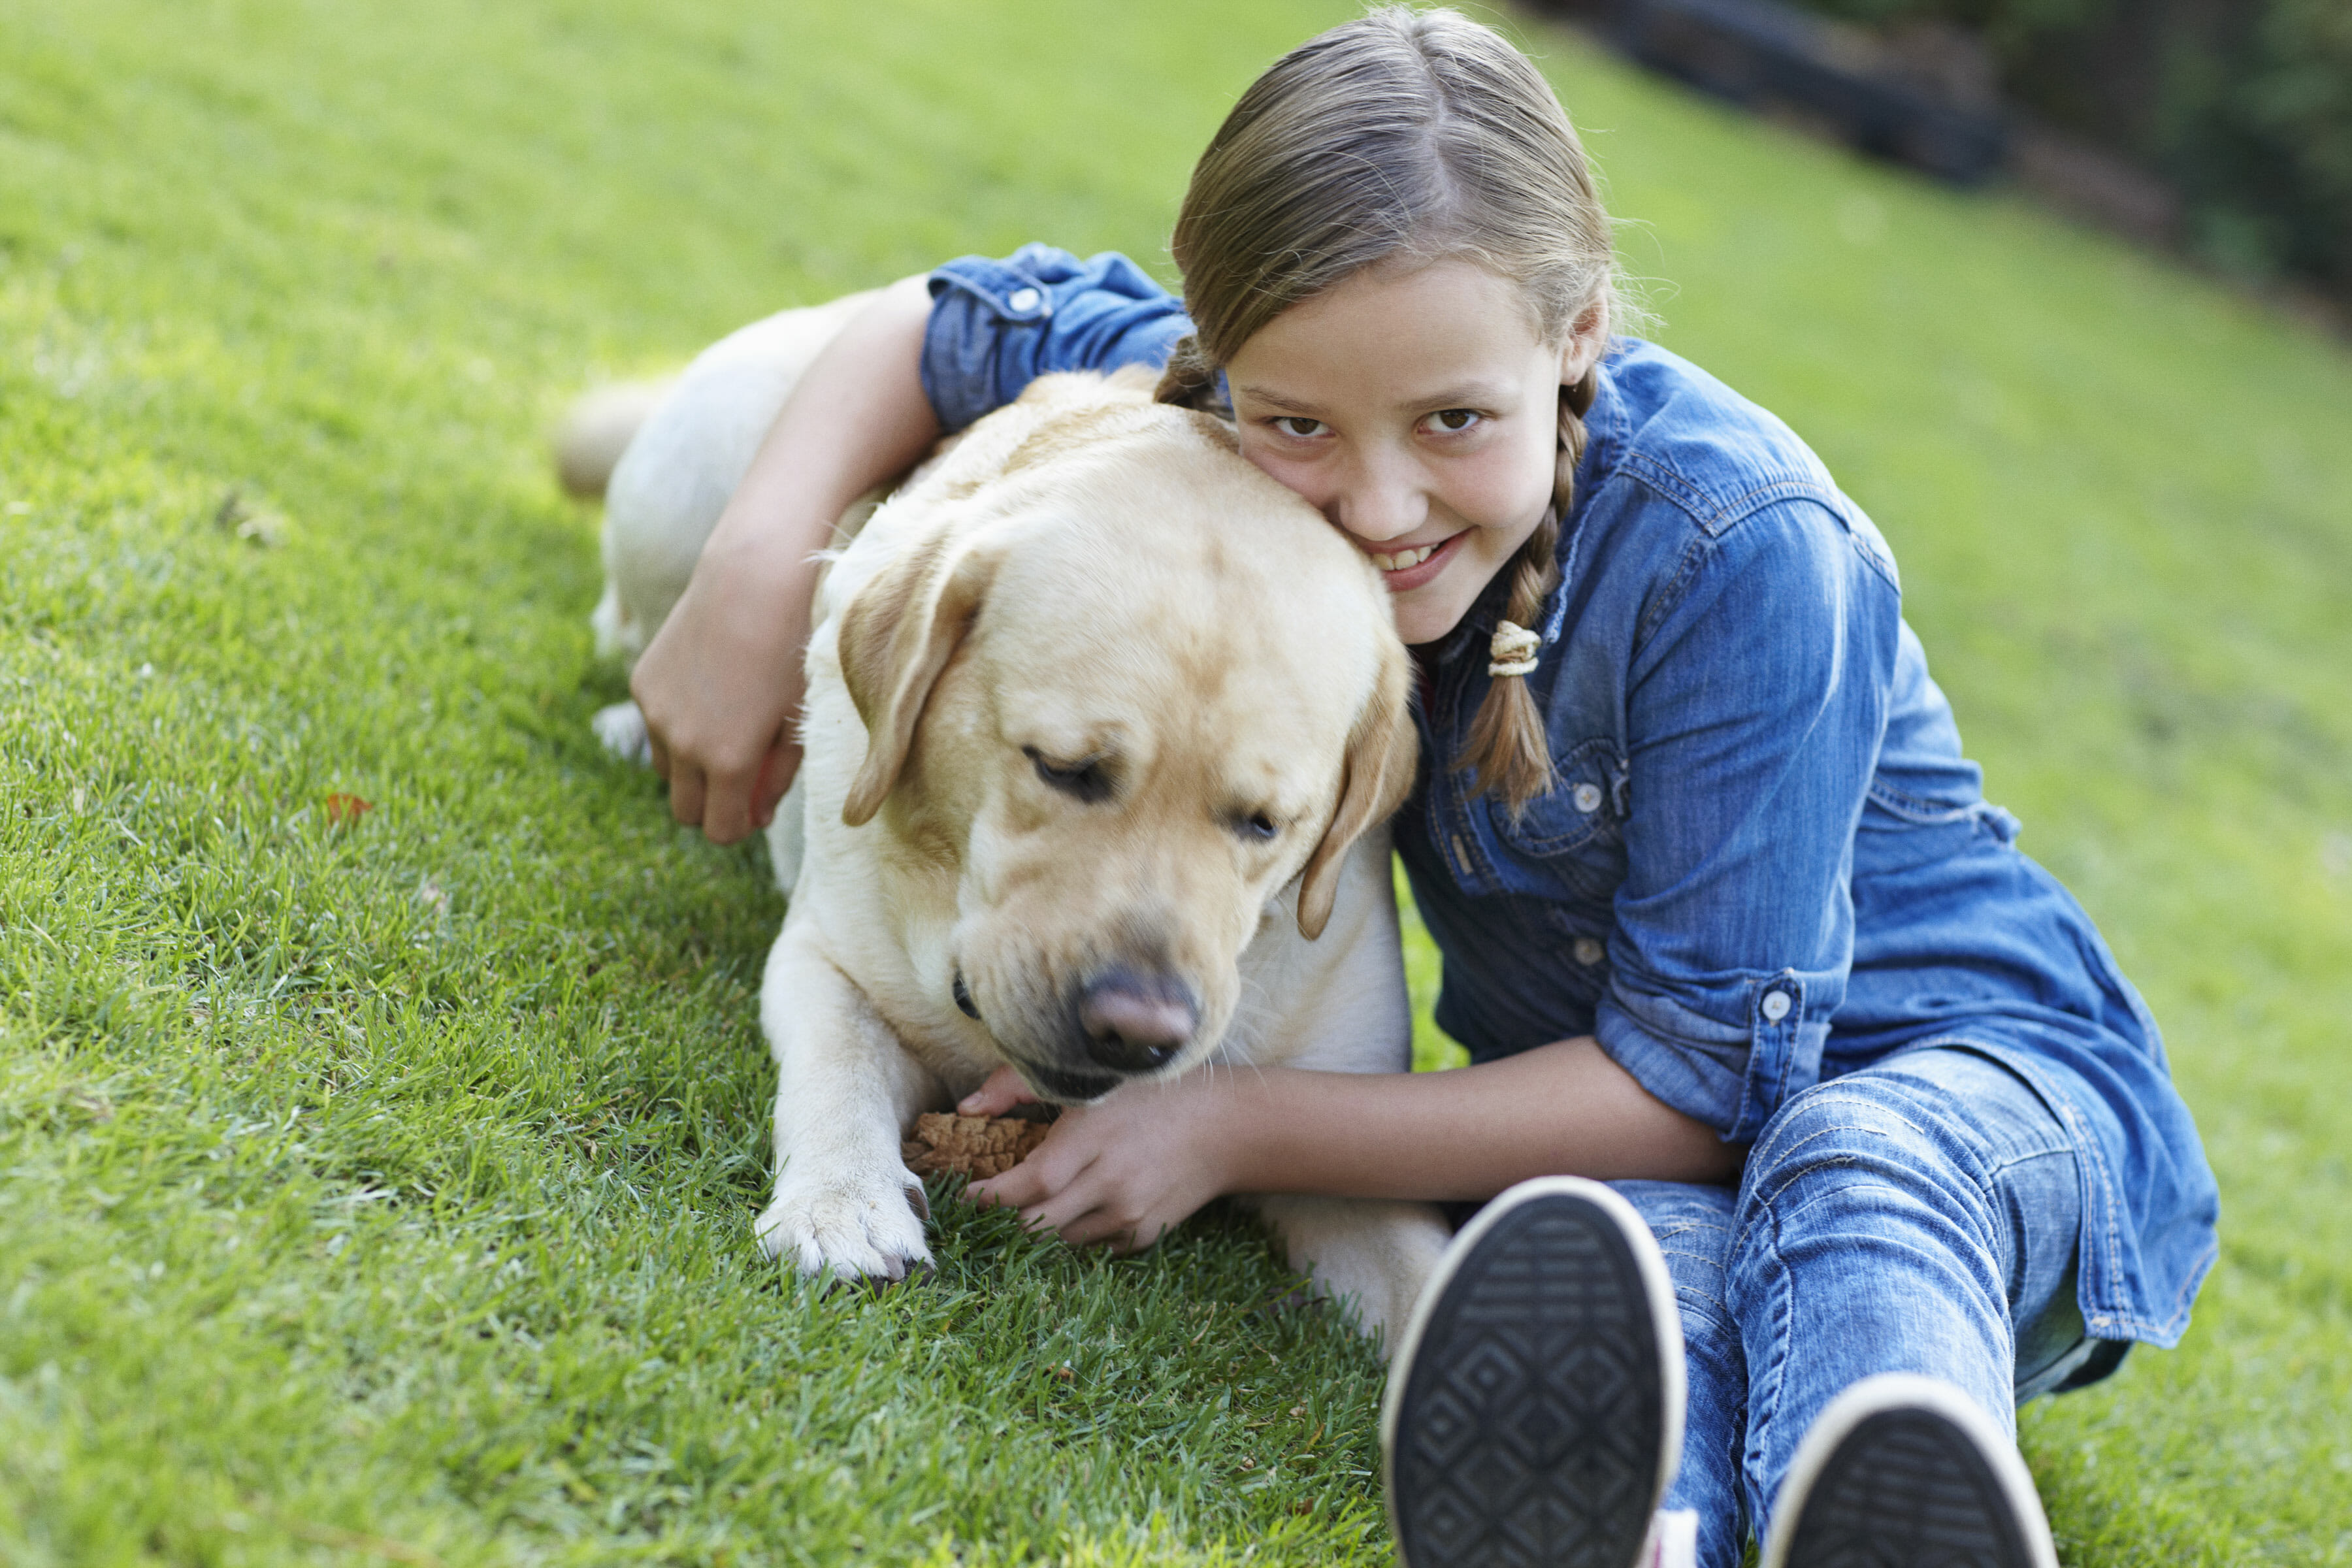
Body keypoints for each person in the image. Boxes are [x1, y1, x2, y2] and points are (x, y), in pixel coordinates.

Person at [625, 9, 2218, 1565]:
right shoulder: (1248, 412)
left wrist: (1234, 1124)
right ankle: (1649, 1534)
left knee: (1852, 1168)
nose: (1377, 504)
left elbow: (1706, 1082)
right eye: (1298, 422)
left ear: (1579, 330)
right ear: (1224, 358)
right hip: (1639, 1154)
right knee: (1612, 1292)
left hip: (1992, 1104)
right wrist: (761, 565)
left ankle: (1889, 1479)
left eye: (1455, 421)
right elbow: (949, 320)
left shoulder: (1742, 554)